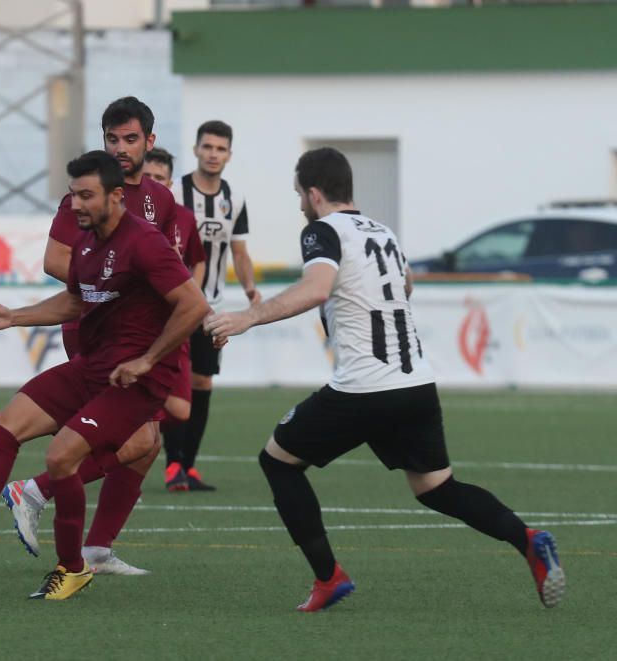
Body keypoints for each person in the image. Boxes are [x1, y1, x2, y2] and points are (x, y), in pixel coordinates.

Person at [204, 147, 565, 611]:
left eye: (299, 195)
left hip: (365, 388)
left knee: (278, 462)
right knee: (437, 488)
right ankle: (527, 539)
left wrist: (246, 318)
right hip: (415, 384)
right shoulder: (383, 232)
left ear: (314, 193)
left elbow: (316, 288)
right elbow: (407, 285)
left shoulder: (321, 231)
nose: (299, 205)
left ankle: (328, 578)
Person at [0, 151, 209, 600]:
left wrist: (147, 359)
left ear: (116, 196)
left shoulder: (146, 242)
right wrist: (15, 316)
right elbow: (77, 302)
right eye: (72, 194)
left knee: (61, 457)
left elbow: (194, 304)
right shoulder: (86, 243)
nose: (75, 205)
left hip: (136, 380)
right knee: (4, 427)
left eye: (86, 196)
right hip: (94, 366)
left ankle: (72, 568)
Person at [0, 98, 187, 576]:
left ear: (151, 140)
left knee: (150, 441)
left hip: (140, 336)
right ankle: (38, 491)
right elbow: (56, 261)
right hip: (97, 331)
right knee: (139, 434)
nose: (121, 148)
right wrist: (114, 281)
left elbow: (170, 273)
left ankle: (97, 548)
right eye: (112, 139)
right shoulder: (86, 194)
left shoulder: (162, 201)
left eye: (130, 139)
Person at [170, 120, 260, 491]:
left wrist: (251, 288)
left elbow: (239, 252)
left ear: (229, 155)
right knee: (173, 384)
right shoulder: (175, 193)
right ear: (195, 150)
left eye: (220, 149)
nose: (213, 154)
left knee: (202, 381)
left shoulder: (234, 200)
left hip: (213, 306)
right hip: (175, 305)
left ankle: (188, 466)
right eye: (207, 147)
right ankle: (172, 464)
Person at [141, 147, 208, 491]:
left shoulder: (180, 216)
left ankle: (133, 404)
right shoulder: (125, 216)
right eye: (147, 177)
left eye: (160, 179)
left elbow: (197, 259)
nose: (153, 183)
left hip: (174, 322)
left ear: (170, 183)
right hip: (138, 322)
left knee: (181, 409)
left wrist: (190, 297)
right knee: (139, 438)